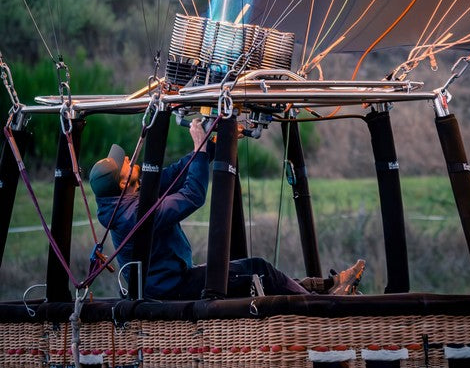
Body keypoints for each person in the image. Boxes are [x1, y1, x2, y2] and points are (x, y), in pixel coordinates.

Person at [90, 119, 365, 300]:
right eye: (123, 162)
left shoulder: (134, 195)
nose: (128, 157)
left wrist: (213, 143)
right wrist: (198, 148)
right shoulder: (134, 215)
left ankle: (328, 287)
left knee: (257, 272)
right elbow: (192, 195)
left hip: (171, 280)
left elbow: (178, 173)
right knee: (257, 271)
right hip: (169, 291)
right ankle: (322, 305)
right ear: (124, 182)